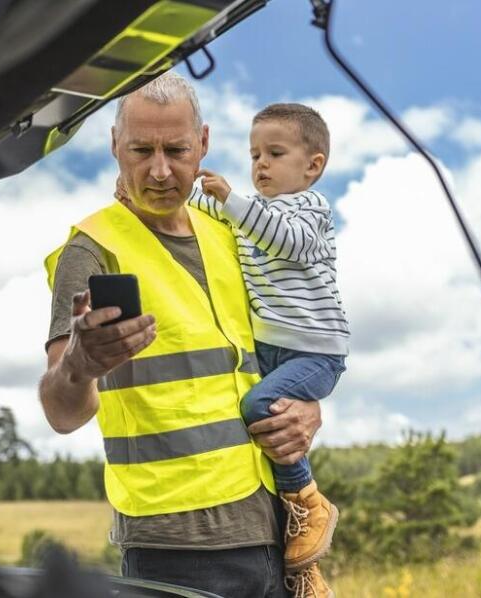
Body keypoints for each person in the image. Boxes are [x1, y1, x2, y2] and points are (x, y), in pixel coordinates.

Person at [39, 72, 326, 598]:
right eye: (140, 150)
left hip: (274, 528)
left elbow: (276, 350)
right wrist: (81, 364)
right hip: (173, 546)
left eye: (176, 149)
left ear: (204, 144)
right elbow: (62, 412)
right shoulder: (90, 251)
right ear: (113, 147)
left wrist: (306, 407)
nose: (159, 170)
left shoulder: (230, 232)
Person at [185, 103, 348, 595]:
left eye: (275, 153)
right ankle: (295, 548)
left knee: (257, 406)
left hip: (314, 351)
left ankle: (308, 500)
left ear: (312, 166)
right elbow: (200, 205)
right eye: (255, 153)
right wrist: (178, 183)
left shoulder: (308, 211)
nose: (260, 164)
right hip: (272, 349)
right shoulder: (249, 212)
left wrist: (232, 200)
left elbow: (287, 243)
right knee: (259, 427)